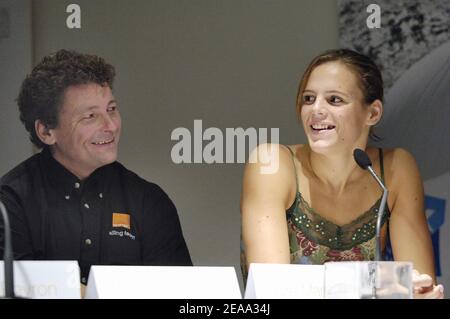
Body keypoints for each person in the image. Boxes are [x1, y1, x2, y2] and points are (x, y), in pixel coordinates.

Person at [240, 49, 443, 299]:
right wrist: (384, 287)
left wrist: (419, 292)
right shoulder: (271, 163)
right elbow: (273, 289)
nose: (316, 110)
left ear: (373, 113)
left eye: (334, 100)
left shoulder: (395, 168)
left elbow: (418, 284)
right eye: (308, 99)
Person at [0, 50, 192, 289]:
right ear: (46, 132)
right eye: (90, 116)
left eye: (111, 109)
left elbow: (179, 294)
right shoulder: (10, 203)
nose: (110, 126)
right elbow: (16, 289)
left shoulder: (148, 201)